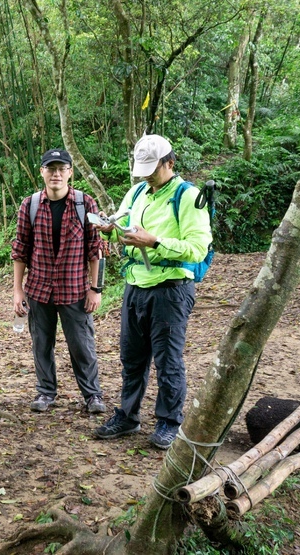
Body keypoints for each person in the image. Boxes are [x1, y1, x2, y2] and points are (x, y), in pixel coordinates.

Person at [93, 134, 211, 449]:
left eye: (153, 169)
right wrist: (112, 229)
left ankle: (169, 422)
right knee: (132, 357)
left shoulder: (188, 197)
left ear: (170, 163)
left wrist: (155, 242)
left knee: (168, 359)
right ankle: (128, 416)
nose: (147, 175)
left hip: (171, 289)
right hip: (136, 285)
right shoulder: (137, 191)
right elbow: (125, 232)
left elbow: (198, 248)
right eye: (142, 169)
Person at [11, 148, 107, 415]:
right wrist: (18, 290)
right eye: (50, 168)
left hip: (74, 289)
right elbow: (20, 249)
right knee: (42, 343)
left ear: (69, 172)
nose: (56, 174)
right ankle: (45, 392)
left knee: (82, 344)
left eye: (61, 169)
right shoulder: (28, 205)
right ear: (41, 171)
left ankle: (92, 394)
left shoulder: (85, 203)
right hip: (39, 290)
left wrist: (95, 288)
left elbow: (95, 248)